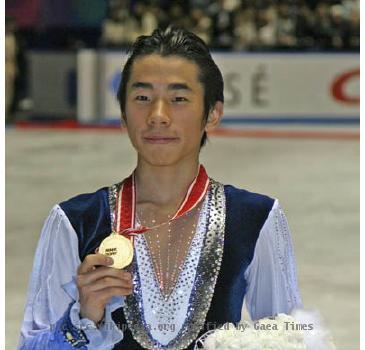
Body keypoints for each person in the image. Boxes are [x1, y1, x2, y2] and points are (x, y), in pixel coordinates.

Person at [18, 27, 302, 350]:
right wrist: (82, 319)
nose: (158, 115)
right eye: (142, 98)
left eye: (178, 99)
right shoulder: (75, 222)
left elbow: (291, 336)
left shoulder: (256, 219)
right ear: (124, 114)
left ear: (212, 114)